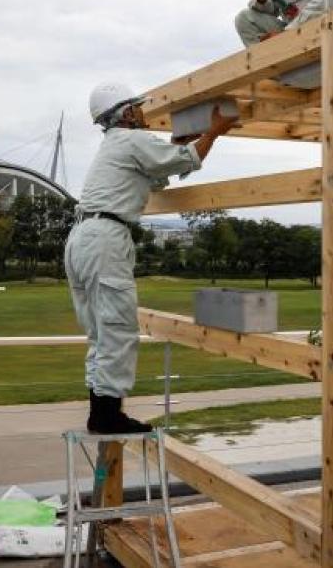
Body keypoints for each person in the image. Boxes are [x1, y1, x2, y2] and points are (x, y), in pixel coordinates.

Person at [67, 83, 236, 433]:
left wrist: (178, 145)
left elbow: (159, 173)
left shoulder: (117, 145)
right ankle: (107, 416)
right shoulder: (131, 141)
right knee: (117, 328)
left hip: (83, 237)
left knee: (101, 332)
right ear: (126, 113)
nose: (143, 113)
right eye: (138, 108)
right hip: (105, 239)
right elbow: (189, 159)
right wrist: (214, 132)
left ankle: (101, 411)